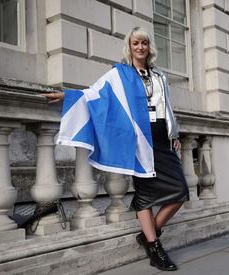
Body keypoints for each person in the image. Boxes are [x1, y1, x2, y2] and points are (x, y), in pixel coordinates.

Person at [43, 27, 189, 271]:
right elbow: (94, 93)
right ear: (129, 47)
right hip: (139, 138)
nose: (140, 47)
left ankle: (149, 234)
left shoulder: (159, 76)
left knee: (180, 191)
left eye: (144, 43)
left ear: (149, 46)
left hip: (161, 136)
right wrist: (66, 96)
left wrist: (174, 133)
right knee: (144, 193)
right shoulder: (119, 73)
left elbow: (168, 108)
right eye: (135, 43)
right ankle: (154, 247)